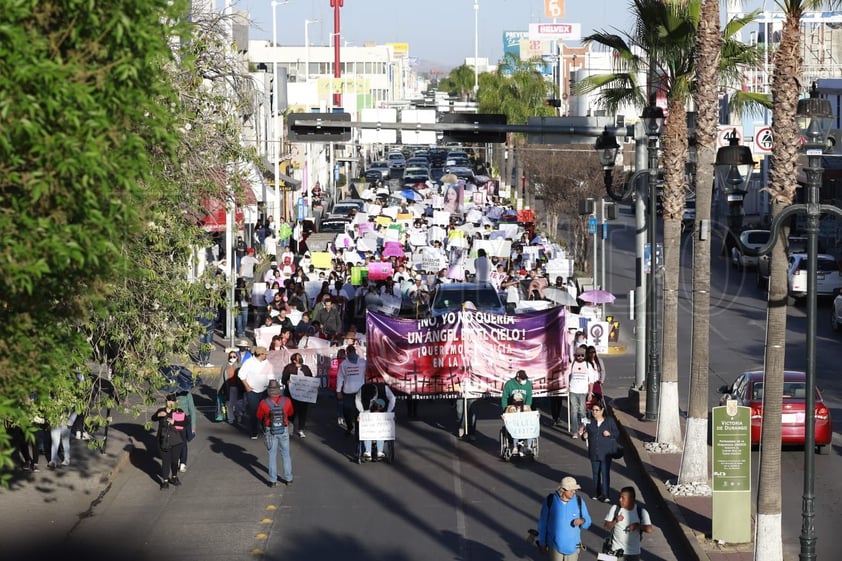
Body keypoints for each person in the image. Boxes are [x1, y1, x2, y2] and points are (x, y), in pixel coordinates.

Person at [537, 476, 592, 560]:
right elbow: (542, 523)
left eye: (575, 489)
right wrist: (542, 543)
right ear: (562, 490)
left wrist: (582, 521)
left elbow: (588, 521)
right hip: (554, 547)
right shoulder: (550, 500)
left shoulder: (579, 501)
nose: (574, 492)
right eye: (571, 490)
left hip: (573, 547)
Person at [256, 379, 295, 487]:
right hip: (284, 429)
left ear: (268, 391)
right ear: (279, 390)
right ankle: (288, 478)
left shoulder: (264, 403)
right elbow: (291, 412)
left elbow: (259, 416)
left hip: (270, 430)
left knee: (272, 455)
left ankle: (273, 480)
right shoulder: (286, 401)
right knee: (286, 454)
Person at [582, 403, 620, 502]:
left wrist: (610, 434)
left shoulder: (609, 421)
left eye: (597, 410)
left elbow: (616, 433)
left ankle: (606, 494)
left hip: (606, 453)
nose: (594, 412)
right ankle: (596, 493)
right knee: (595, 474)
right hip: (594, 452)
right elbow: (585, 435)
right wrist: (584, 435)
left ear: (602, 410)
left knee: (605, 473)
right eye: (593, 410)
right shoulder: (590, 423)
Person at [603, 487, 654, 560]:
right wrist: (615, 521)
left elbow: (649, 529)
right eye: (620, 497)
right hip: (616, 552)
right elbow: (606, 526)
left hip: (634, 553)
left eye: (623, 498)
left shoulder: (641, 512)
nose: (620, 500)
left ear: (631, 499)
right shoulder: (615, 509)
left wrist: (637, 525)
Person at [152, 394, 187, 490]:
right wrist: (158, 415)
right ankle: (165, 481)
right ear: (166, 402)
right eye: (168, 401)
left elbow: (185, 423)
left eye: (172, 401)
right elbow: (153, 418)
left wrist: (174, 422)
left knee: (174, 461)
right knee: (166, 461)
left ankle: (174, 477)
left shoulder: (178, 411)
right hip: (163, 441)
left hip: (176, 441)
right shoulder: (161, 411)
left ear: (175, 402)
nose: (170, 403)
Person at [238, 346, 273, 439]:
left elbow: (271, 376)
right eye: (265, 354)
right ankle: (254, 431)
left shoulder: (267, 363)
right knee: (254, 412)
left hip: (265, 390)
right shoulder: (249, 362)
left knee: (266, 411)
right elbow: (241, 375)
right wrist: (247, 387)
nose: (266, 355)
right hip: (252, 391)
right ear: (260, 354)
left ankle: (265, 428)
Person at [355, 380, 396, 460]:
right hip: (367, 413)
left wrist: (389, 412)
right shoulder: (363, 389)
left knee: (381, 431)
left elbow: (392, 398)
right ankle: (368, 451)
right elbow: (357, 400)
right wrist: (361, 412)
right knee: (367, 431)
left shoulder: (384, 388)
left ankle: (379, 451)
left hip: (381, 414)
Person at [565, 345, 597, 438]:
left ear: (584, 356)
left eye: (582, 355)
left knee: (582, 412)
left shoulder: (588, 365)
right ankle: (575, 431)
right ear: (575, 356)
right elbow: (567, 376)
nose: (580, 357)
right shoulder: (572, 364)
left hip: (583, 392)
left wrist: (590, 393)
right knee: (573, 411)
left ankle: (582, 426)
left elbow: (591, 381)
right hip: (573, 391)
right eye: (578, 355)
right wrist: (567, 387)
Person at [500, 369, 534, 455]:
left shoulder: (528, 384)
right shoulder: (509, 384)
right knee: (514, 427)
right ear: (517, 377)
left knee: (529, 426)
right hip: (512, 408)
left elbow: (529, 396)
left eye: (524, 379)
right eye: (522, 379)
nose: (524, 381)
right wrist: (505, 410)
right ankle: (514, 445)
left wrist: (528, 406)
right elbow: (504, 397)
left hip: (524, 407)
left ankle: (528, 446)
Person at [281, 353, 314, 438]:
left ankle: (301, 429)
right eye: (299, 358)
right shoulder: (289, 368)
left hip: (304, 395)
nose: (301, 358)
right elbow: (284, 379)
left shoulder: (305, 368)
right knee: (292, 412)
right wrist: (287, 381)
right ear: (294, 360)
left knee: (303, 412)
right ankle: (289, 428)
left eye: (301, 357)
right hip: (292, 395)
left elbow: (310, 378)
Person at [336, 345, 367, 436]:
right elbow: (340, 377)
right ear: (347, 353)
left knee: (359, 412)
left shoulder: (363, 362)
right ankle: (350, 426)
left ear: (355, 351)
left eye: (352, 351)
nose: (351, 353)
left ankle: (358, 431)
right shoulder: (344, 364)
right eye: (349, 352)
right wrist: (338, 391)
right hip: (348, 392)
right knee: (346, 411)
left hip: (360, 392)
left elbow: (368, 374)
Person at [220, 350, 245, 424]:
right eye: (230, 357)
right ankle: (231, 418)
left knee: (239, 403)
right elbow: (221, 377)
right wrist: (220, 389)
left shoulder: (240, 365)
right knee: (229, 404)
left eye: (234, 356)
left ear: (237, 357)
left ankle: (239, 415)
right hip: (229, 387)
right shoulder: (225, 365)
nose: (232, 358)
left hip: (238, 387)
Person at [176, 390, 198, 473]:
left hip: (180, 419)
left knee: (179, 442)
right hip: (180, 419)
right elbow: (192, 410)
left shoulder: (175, 393)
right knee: (180, 442)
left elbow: (192, 410)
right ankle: (181, 461)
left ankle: (180, 461)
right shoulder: (186, 394)